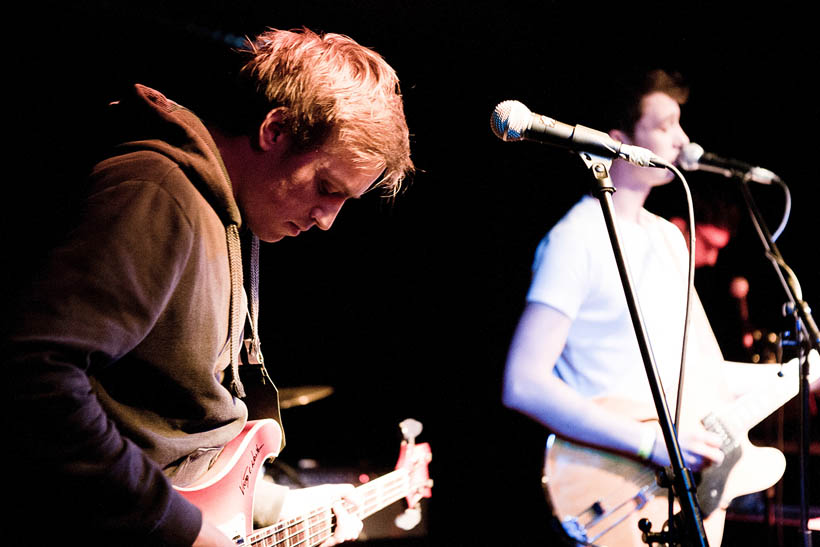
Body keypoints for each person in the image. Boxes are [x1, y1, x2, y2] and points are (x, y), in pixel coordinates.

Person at [5, 28, 413, 547]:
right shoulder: (157, 191)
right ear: (276, 130)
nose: (328, 219)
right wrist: (179, 527)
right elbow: (34, 373)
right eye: (327, 188)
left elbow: (170, 429)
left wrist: (276, 503)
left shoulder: (234, 219)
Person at [502, 69, 789, 546]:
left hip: (680, 491)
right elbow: (523, 382)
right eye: (664, 126)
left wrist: (802, 371)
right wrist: (651, 443)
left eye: (680, 125)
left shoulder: (669, 239)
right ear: (618, 142)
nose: (682, 140)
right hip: (615, 489)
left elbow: (708, 373)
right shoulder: (576, 238)